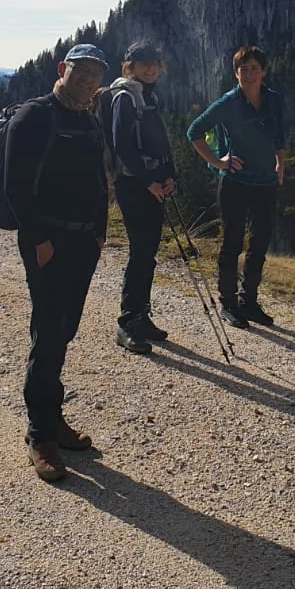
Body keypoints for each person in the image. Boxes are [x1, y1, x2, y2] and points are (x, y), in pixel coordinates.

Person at [2, 42, 109, 482]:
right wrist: (39, 240)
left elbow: (99, 179)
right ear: (63, 69)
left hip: (83, 241)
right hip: (48, 242)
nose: (87, 81)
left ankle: (52, 418)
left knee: (64, 331)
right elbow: (15, 185)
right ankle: (40, 435)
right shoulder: (35, 116)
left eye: (95, 75)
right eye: (80, 71)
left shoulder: (88, 119)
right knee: (48, 333)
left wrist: (100, 232)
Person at [186, 46, 286, 329]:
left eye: (254, 68)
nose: (249, 74)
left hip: (266, 182)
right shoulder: (229, 102)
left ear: (264, 72)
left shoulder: (273, 100)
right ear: (236, 73)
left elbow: (279, 134)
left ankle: (249, 301)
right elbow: (194, 132)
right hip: (235, 183)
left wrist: (281, 164)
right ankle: (228, 303)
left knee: (260, 244)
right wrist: (219, 162)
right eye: (244, 69)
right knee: (232, 243)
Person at [108, 42, 178, 355]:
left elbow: (160, 142)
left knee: (148, 253)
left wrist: (170, 174)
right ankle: (127, 323)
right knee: (140, 253)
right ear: (130, 67)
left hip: (152, 184)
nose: (150, 68)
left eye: (154, 63)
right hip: (134, 186)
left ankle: (142, 316)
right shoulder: (125, 97)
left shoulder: (149, 96)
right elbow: (122, 146)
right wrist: (150, 181)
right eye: (142, 63)